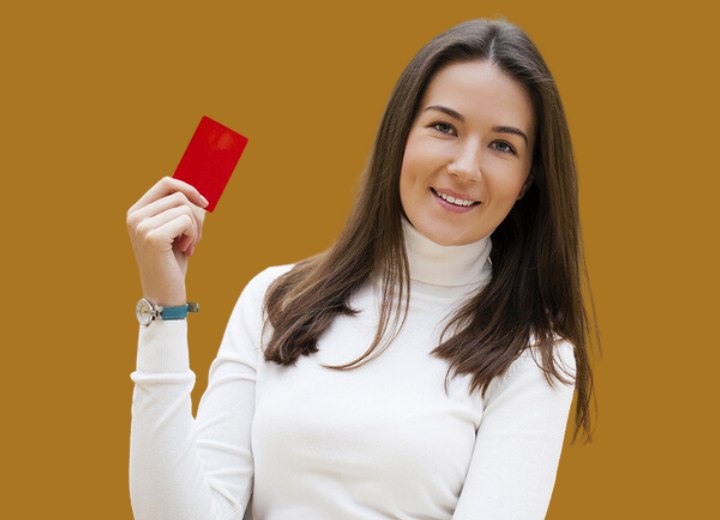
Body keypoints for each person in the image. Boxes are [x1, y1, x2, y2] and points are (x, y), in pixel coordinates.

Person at [126, 18, 597, 520]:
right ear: (401, 134)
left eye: (503, 145)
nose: (464, 165)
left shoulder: (534, 356)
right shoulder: (276, 299)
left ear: (527, 180)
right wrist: (164, 310)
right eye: (444, 127)